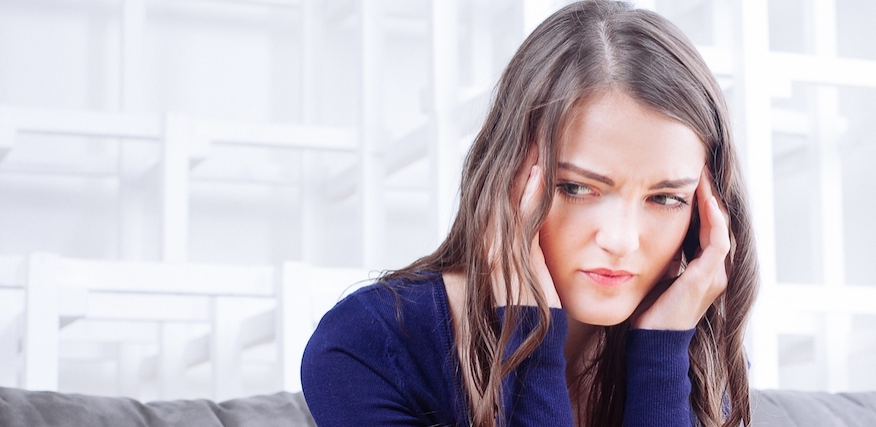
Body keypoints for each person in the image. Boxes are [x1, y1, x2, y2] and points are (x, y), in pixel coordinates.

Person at [301, 1, 758, 426]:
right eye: (577, 187)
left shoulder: (693, 356)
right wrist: (530, 338)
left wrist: (661, 355)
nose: (621, 240)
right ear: (508, 176)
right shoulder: (367, 348)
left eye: (665, 198)